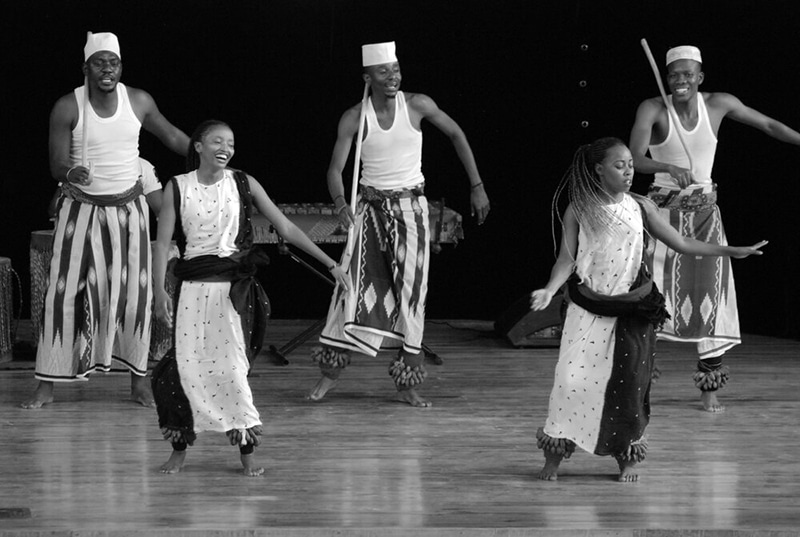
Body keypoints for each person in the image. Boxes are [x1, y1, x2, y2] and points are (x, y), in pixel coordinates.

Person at [530, 137, 766, 482]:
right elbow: (566, 260)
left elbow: (681, 242)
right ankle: (554, 458)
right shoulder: (580, 208)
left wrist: (732, 251)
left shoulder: (641, 206)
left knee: (630, 387)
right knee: (570, 382)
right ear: (598, 169)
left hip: (633, 312)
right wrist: (550, 290)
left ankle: (626, 461)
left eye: (630, 164)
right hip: (588, 310)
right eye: (619, 165)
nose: (628, 171)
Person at [151, 120, 349, 476]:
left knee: (232, 372)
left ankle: (247, 455)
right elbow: (163, 243)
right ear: (198, 146)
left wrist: (331, 264)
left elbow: (285, 227)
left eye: (230, 142)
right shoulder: (178, 187)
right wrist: (157, 292)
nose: (226, 147)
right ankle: (179, 450)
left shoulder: (243, 182)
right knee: (182, 370)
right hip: (193, 293)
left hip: (233, 295)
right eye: (217, 141)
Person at [307, 41, 491, 407]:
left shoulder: (417, 104)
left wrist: (477, 185)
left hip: (410, 209)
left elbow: (457, 134)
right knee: (351, 289)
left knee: (412, 294)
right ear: (367, 77)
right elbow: (334, 169)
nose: (393, 77)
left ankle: (407, 381)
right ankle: (330, 374)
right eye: (383, 72)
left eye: (396, 69)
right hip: (370, 211)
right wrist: (342, 203)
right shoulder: (354, 116)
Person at [22, 32, 190, 409]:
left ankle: (139, 383)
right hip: (79, 212)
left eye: (113, 63)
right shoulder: (68, 106)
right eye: (99, 62)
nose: (107, 69)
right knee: (62, 297)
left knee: (135, 298)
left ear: (120, 67)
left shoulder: (139, 101)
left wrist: (203, 149)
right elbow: (56, 164)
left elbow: (173, 136)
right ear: (86, 68)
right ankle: (46, 384)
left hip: (130, 213)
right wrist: (70, 172)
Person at [629, 45, 800, 412]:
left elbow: (769, 125)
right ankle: (639, 388)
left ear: (700, 77)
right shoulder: (652, 108)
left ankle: (709, 390)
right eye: (674, 74)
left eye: (688, 74)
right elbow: (633, 159)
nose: (680, 81)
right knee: (649, 298)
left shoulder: (720, 104)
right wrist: (668, 166)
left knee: (713, 300)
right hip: (660, 215)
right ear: (667, 76)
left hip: (705, 217)